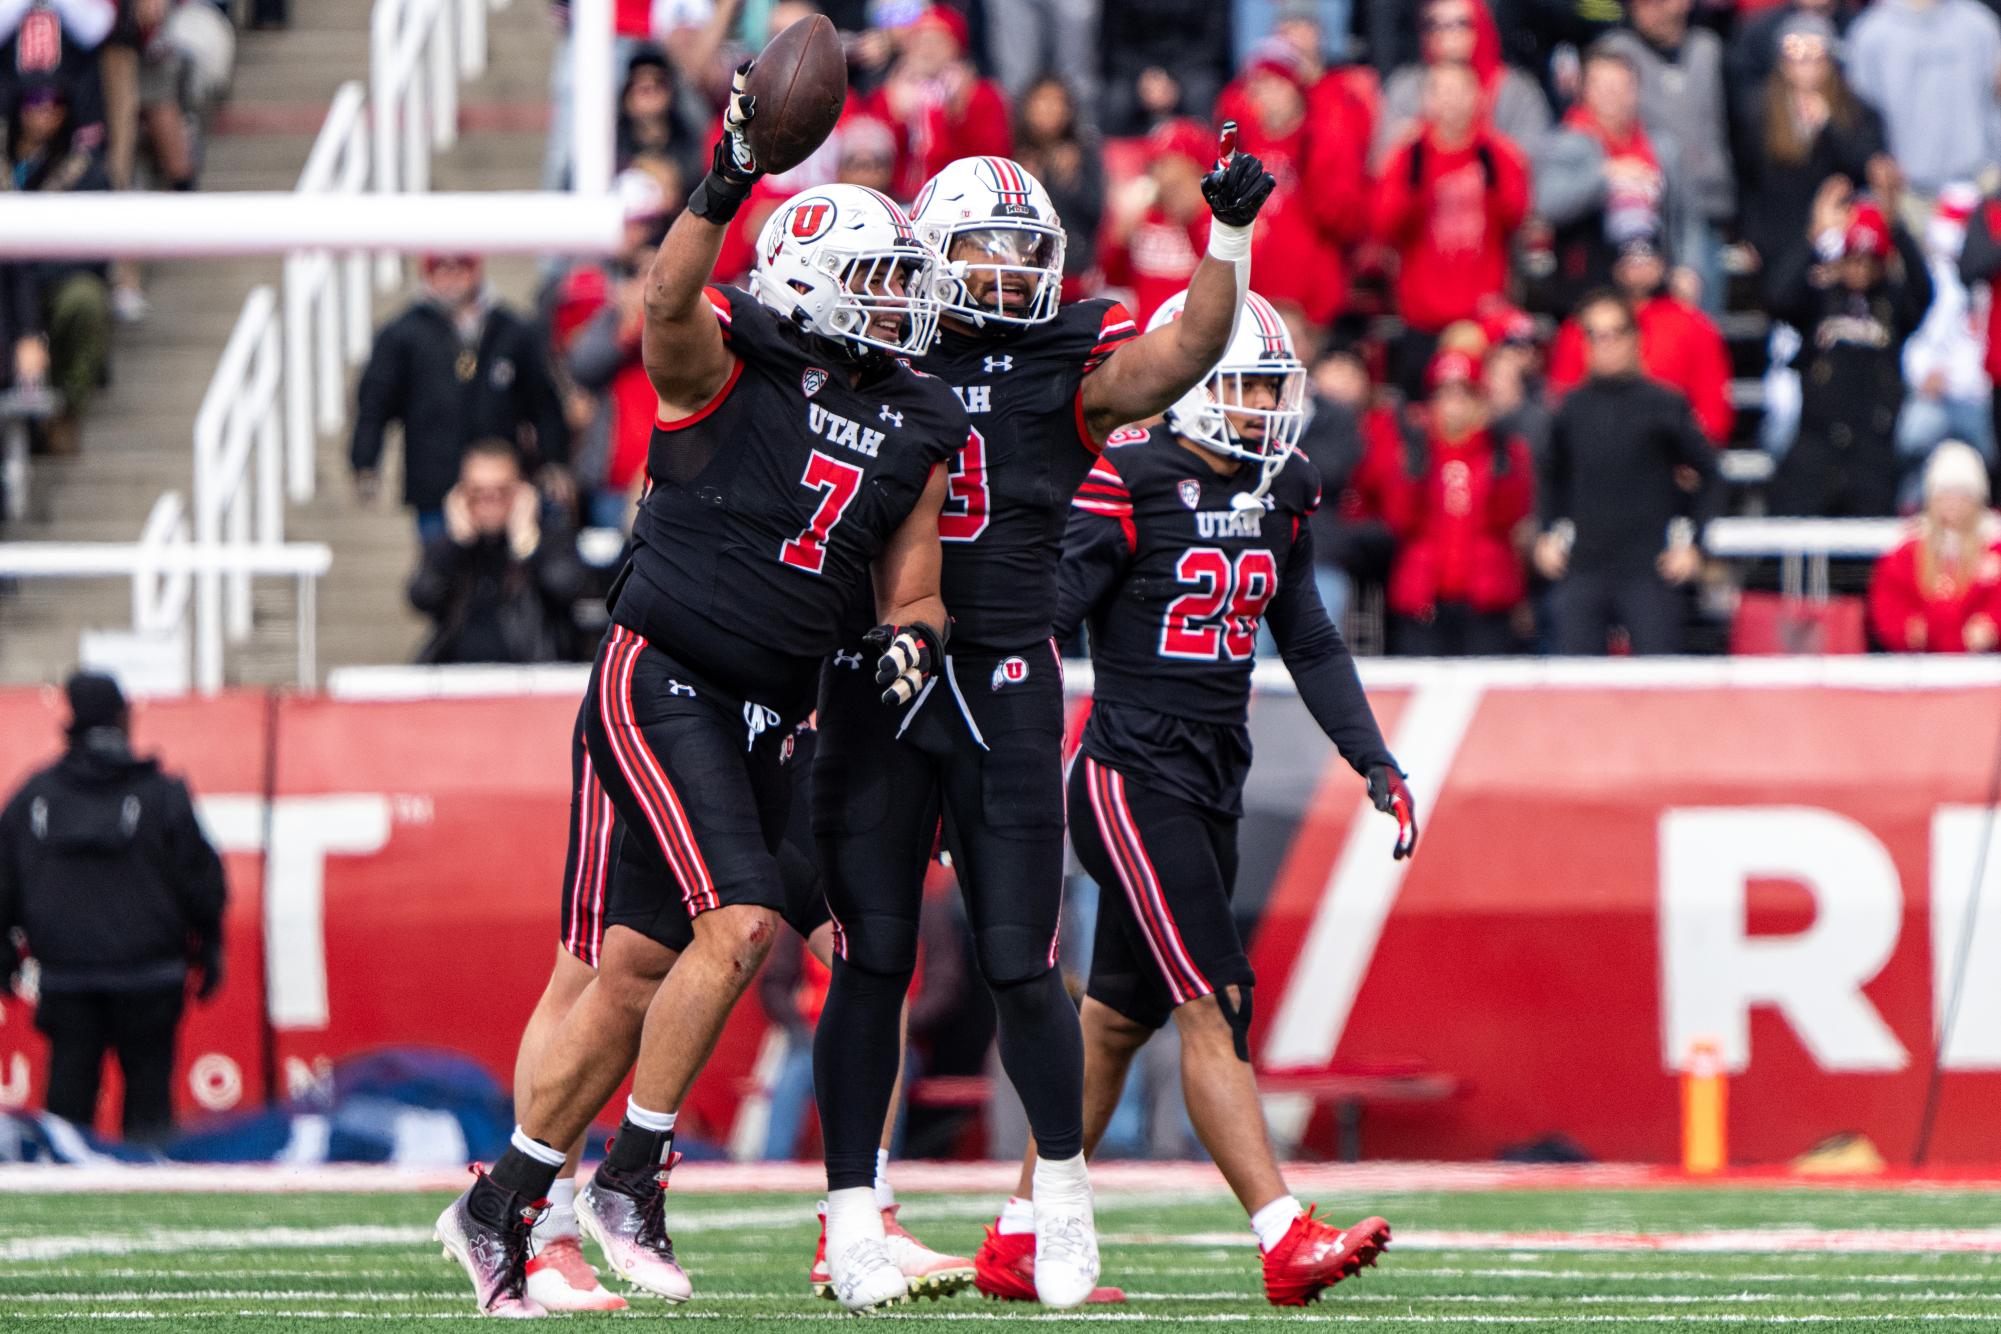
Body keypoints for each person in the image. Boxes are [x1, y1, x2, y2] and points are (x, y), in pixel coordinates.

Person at [434, 66, 965, 1318]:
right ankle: (612, 1173)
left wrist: (912, 642)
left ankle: (528, 1205)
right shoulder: (731, 362)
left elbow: (918, 583)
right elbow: (667, 295)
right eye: (879, 279)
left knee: (628, 966)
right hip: (662, 673)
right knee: (732, 929)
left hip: (773, 711)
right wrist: (727, 171)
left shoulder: (915, 418)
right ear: (813, 282)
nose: (902, 304)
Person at [811, 140, 1277, 1313]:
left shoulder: (1060, 362)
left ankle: (1061, 1199)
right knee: (871, 959)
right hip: (878, 669)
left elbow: (1186, 350)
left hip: (1006, 673)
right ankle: (853, 1216)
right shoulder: (873, 343)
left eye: (1029, 252)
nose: (1012, 272)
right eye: (987, 248)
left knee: (1027, 960)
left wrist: (1226, 241)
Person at [1016, 289, 1407, 1306]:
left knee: (1112, 1023)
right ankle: (1284, 1234)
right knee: (1216, 999)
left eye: (1273, 389)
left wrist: (1373, 757)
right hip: (1129, 774)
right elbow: (1047, 615)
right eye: (1242, 388)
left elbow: (1311, 637)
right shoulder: (1129, 478)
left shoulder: (1285, 488)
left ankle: (1021, 1231)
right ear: (1187, 387)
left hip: (1212, 774)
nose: (1261, 410)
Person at [507, 719, 971, 1313]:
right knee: (592, 968)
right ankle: (542, 1226)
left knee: (874, 952)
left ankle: (862, 1212)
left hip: (786, 727)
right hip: (672, 713)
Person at [0, 672, 226, 1147]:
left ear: (71, 719)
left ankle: (60, 1206)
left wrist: (5, 954)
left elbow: (3, 882)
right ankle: (153, 1209)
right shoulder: (161, 795)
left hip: (67, 980)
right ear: (124, 717)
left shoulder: (36, 797)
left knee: (67, 1114)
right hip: (151, 980)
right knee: (149, 1115)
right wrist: (209, 945)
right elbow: (202, 882)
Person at [1535, 289, 1720, 655]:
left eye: (1615, 333)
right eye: (1595, 334)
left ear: (1635, 338)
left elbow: (1710, 474)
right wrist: (1545, 535)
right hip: (1585, 566)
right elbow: (1550, 476)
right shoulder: (1571, 409)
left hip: (1648, 569)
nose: (1605, 344)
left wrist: (1694, 545)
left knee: (1661, 686)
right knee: (1574, 688)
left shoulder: (1664, 404)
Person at [350, 254, 570, 547]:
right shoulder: (402, 335)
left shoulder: (512, 331)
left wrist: (554, 460)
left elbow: (544, 403)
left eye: (460, 266)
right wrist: (365, 461)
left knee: (508, 568)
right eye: (440, 268)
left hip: (500, 485)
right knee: (441, 572)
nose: (451, 276)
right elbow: (375, 403)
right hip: (435, 482)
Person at [1766, 183, 1934, 517]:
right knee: (1796, 522)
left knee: (1866, 546)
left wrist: (1896, 226)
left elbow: (1925, 293)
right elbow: (1777, 298)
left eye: (1868, 261)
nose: (1858, 268)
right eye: (1852, 259)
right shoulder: (1819, 296)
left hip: (1872, 443)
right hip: (1816, 439)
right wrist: (1814, 235)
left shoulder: (1894, 303)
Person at [1372, 60, 1530, 401]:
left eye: (1460, 91)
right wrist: (1411, 187)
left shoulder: (1498, 153)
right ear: (1426, 99)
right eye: (1441, 91)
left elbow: (1515, 217)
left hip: (1481, 325)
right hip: (1421, 322)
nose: (1451, 102)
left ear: (1479, 97)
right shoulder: (1406, 155)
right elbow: (1384, 226)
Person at [1386, 348, 1533, 654]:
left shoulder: (1504, 451)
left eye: (1464, 395)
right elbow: (1400, 520)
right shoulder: (1416, 452)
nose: (1454, 406)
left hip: (1486, 597)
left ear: (1481, 401)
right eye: (1445, 395)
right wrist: (1411, 472)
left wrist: (1503, 466)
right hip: (1425, 597)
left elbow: (1511, 516)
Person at [1597, 0, 1734, 313]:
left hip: (1709, 207)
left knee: (1700, 320)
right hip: (1643, 215)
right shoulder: (1616, 52)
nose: (1648, 10)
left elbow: (1733, 128)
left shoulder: (1708, 49)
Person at [1545, 227, 1734, 446]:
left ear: (1662, 264)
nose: (1638, 267)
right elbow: (1562, 396)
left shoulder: (1694, 325)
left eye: (1646, 258)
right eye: (1630, 260)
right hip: (1599, 447)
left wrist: (1697, 451)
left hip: (1671, 449)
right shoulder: (1584, 324)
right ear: (1616, 267)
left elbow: (1712, 402)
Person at [5, 74, 111, 457]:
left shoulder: (81, 170)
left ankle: (66, 408)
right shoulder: (5, 165)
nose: (45, 113)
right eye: (35, 102)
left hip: (54, 279)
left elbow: (97, 250)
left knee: (85, 299)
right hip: (7, 287)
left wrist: (36, 273)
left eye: (54, 104)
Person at [406, 440, 585, 665]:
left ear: (523, 493)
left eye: (501, 492)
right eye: (477, 493)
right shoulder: (450, 546)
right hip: (458, 676)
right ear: (460, 495)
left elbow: (567, 588)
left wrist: (526, 545)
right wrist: (457, 544)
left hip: (532, 676)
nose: (489, 502)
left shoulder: (552, 539)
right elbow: (422, 597)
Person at [1531, 45, 1675, 319]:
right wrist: (1603, 176)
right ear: (1585, 91)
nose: (1613, 96)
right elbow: (1546, 204)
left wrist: (1685, 268)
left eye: (1622, 87)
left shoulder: (1660, 147)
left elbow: (1682, 216)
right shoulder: (1565, 142)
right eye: (1603, 86)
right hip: (1585, 288)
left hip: (1651, 287)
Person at [1737, 12, 1886, 275]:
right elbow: (1749, 180)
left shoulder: (1856, 112)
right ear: (1782, 63)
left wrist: (1828, 127)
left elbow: (1865, 170)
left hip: (1838, 239)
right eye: (1797, 57)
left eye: (1816, 57)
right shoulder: (1759, 113)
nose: (1807, 68)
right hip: (1779, 240)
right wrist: (1750, 236)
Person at [1845, 0, 2001, 208]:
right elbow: (1859, 120)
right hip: (1904, 195)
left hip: (1980, 185)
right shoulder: (1870, 33)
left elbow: (1994, 104)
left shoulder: (1979, 24)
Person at [1897, 185, 1994, 506]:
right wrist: (1923, 374)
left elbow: (1982, 344)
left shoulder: (1987, 283)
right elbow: (1914, 338)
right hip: (1931, 394)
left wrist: (1965, 381)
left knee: (1989, 449)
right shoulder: (1929, 279)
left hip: (1975, 397)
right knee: (1911, 439)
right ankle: (1910, 518)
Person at [1372, 0, 1550, 166]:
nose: (1447, 35)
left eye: (1460, 23)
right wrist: (1413, 141)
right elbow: (1380, 162)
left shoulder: (1515, 91)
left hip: (1494, 193)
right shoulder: (1406, 87)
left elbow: (1532, 161)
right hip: (1423, 194)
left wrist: (1473, 145)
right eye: (1435, 25)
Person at [861, 4, 1011, 202]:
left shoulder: (981, 94)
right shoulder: (887, 95)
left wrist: (957, 114)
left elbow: (992, 160)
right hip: (898, 200)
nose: (927, 50)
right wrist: (896, 115)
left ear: (956, 47)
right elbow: (874, 158)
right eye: (920, 40)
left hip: (964, 200)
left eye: (937, 41)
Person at [1868, 440, 2001, 652]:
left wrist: (1993, 625)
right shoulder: (1909, 551)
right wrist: (1906, 630)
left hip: (1985, 667)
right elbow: (1889, 600)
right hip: (1919, 669)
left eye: (1963, 494)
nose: (1953, 502)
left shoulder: (1994, 548)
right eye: (1946, 493)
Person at [1101, 118, 1212, 327]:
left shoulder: (1214, 218)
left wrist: (1194, 217)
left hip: (1194, 341)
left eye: (1166, 161)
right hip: (1146, 337)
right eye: (1155, 161)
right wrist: (1119, 238)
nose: (1157, 170)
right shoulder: (1146, 215)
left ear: (1194, 165)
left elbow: (1222, 281)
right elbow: (1114, 280)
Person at [1012, 77, 1104, 295]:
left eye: (1057, 101)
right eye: (1042, 100)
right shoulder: (1013, 153)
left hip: (1073, 270)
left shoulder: (1083, 153)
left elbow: (1096, 213)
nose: (1050, 109)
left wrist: (1071, 181)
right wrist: (1025, 186)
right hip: (1023, 266)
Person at [1099, 0, 1233, 136]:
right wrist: (1147, 78)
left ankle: (1203, 154)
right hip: (1135, 71)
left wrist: (1172, 80)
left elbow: (1213, 42)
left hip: (1190, 67)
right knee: (1117, 102)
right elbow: (1113, 43)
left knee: (1202, 94)